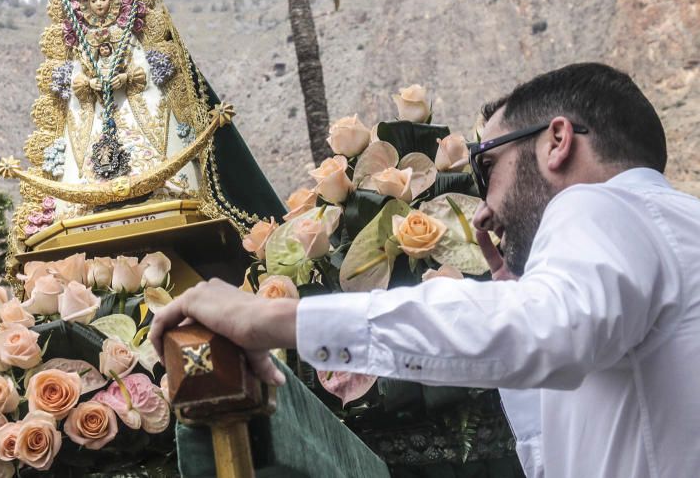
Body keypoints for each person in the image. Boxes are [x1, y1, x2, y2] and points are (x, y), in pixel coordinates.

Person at [150, 63, 700, 478]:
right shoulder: (676, 224)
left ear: (557, 142)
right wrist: (517, 292)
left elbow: (551, 331)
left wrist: (273, 319)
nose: (483, 209)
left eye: (487, 168)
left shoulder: (599, 204)